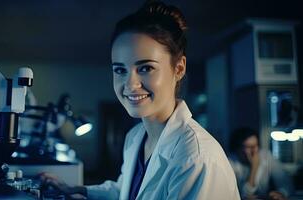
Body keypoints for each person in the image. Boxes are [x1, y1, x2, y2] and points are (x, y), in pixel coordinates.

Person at [40, 1, 240, 199]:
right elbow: (124, 192)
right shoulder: (136, 136)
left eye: (145, 68)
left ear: (178, 68)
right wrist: (76, 189)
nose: (130, 84)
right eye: (120, 70)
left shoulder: (196, 158)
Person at [229, 127, 293, 200]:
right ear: (238, 148)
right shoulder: (231, 163)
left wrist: (281, 193)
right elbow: (244, 195)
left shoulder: (266, 156)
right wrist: (255, 167)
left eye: (254, 146)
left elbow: (286, 183)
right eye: (248, 147)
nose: (253, 151)